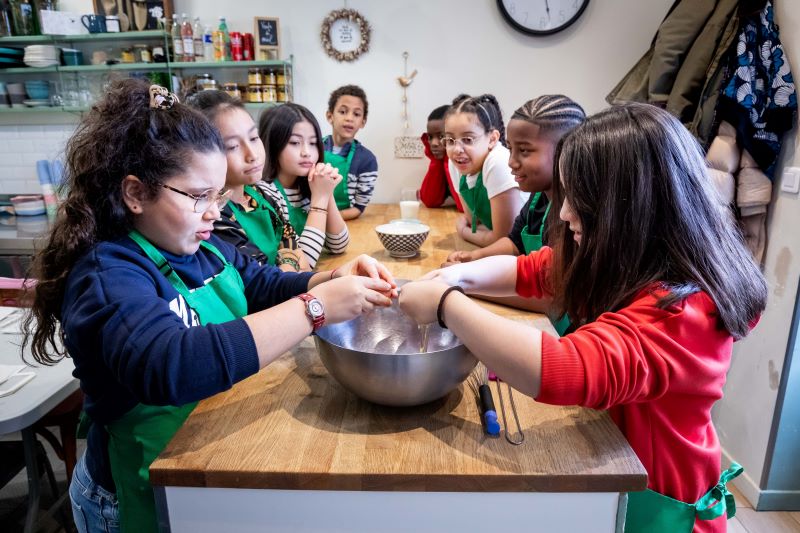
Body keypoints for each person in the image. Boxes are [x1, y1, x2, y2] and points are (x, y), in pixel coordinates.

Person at [21, 79, 396, 533]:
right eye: (198, 196)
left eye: (217, 195)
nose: (214, 212)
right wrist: (314, 308)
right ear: (135, 193)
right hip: (129, 492)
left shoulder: (200, 246)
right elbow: (169, 365)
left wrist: (331, 278)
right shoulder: (109, 274)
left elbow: (262, 283)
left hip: (197, 457)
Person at [400, 103, 766, 533]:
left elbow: (566, 370)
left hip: (660, 509)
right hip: (619, 475)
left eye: (581, 200)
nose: (564, 213)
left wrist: (447, 304)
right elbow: (532, 269)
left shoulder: (683, 314)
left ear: (633, 207)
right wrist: (457, 276)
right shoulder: (623, 261)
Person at [443, 95, 585, 331]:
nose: (511, 162)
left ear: (566, 150)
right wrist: (474, 258)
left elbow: (555, 299)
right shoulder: (538, 197)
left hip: (567, 333)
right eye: (511, 149)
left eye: (525, 151)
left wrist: (463, 284)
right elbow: (514, 242)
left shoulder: (576, 217)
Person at [187, 90, 310, 272]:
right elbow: (265, 278)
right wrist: (290, 261)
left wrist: (290, 263)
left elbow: (296, 250)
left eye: (253, 138)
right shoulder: (214, 216)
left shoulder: (262, 195)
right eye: (232, 146)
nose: (252, 155)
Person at [258, 103, 351, 270]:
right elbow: (302, 263)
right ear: (273, 144)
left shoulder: (308, 185)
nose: (307, 152)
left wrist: (326, 192)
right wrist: (320, 199)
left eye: (313, 143)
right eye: (295, 142)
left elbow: (338, 245)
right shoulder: (265, 193)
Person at [445, 94, 526, 247]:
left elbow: (503, 240)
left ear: (492, 139)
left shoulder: (498, 162)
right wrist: (475, 231)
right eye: (450, 140)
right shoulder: (457, 164)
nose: (456, 150)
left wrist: (463, 231)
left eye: (468, 139)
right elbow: (474, 222)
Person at [323, 84, 378, 220]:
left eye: (356, 114)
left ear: (363, 122)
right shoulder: (313, 149)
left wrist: (330, 219)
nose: (349, 118)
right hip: (310, 219)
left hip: (345, 222)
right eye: (343, 112)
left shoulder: (367, 160)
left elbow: (358, 208)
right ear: (330, 116)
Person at [418, 104, 463, 211]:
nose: (433, 143)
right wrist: (436, 161)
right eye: (430, 137)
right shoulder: (440, 160)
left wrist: (448, 160)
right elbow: (430, 201)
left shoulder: (467, 161)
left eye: (441, 136)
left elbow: (465, 207)